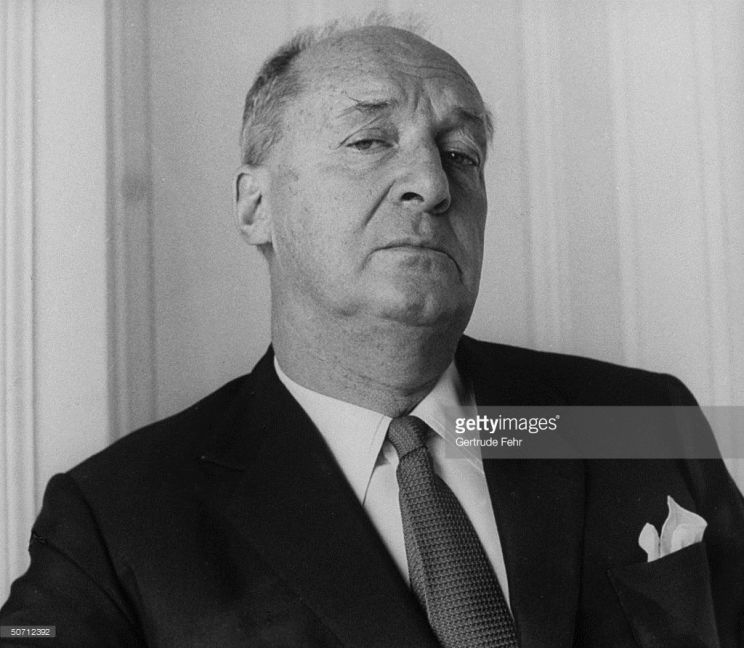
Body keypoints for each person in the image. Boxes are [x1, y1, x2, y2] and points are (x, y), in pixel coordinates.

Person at [2, 17, 743, 648]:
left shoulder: (635, 422)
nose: (434, 184)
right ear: (256, 207)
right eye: (368, 141)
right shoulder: (116, 519)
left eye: (461, 154)